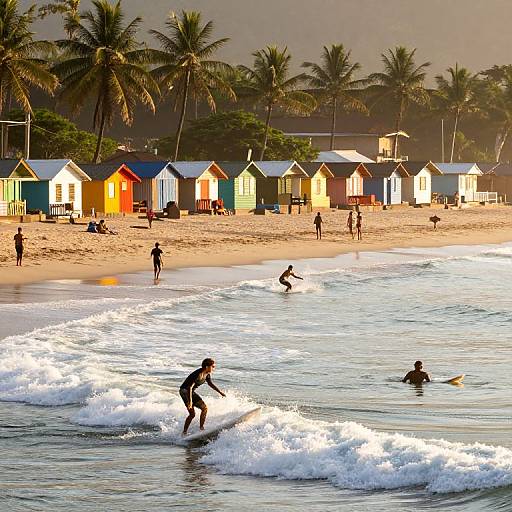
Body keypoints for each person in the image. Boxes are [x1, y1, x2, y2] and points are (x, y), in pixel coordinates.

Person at [180, 358, 226, 435]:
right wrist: (190, 402)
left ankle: (201, 428)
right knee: (192, 414)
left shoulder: (207, 374)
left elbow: (210, 384)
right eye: (213, 366)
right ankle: (184, 432)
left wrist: (220, 392)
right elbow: (189, 388)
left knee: (204, 408)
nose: (214, 368)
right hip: (185, 391)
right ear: (207, 366)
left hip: (191, 392)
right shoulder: (198, 374)